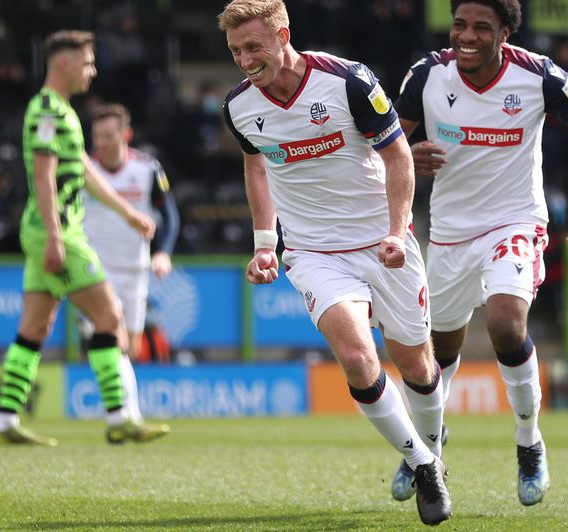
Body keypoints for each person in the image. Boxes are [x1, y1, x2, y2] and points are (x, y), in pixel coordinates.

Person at [217, 0, 451, 525]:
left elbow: (397, 155)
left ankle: (433, 444)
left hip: (382, 242)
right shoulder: (238, 107)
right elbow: (255, 165)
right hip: (313, 251)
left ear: (284, 35)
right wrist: (263, 243)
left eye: (254, 46)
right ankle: (425, 464)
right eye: (235, 51)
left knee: (416, 366)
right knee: (357, 358)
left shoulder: (348, 82)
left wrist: (396, 230)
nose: (245, 60)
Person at [394, 0, 568, 507]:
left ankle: (529, 442)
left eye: (480, 27)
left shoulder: (540, 77)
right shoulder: (426, 75)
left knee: (504, 324)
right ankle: (426, 452)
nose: (465, 36)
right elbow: (381, 146)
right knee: (437, 355)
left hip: (514, 222)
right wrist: (408, 154)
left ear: (505, 33)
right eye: (459, 24)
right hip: (449, 232)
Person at [0, 30, 167, 447]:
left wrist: (128, 214)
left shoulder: (63, 112)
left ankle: (4, 421)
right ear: (65, 63)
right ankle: (120, 416)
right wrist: (54, 236)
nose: (93, 70)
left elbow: (85, 169)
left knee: (34, 327)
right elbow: (43, 175)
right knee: (110, 320)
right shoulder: (48, 109)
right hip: (60, 232)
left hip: (47, 231)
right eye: (87, 62)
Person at [84, 103, 179, 428]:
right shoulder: (84, 170)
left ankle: (122, 413)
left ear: (126, 134)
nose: (102, 142)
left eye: (109, 135)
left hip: (135, 270)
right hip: (94, 272)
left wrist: (162, 252)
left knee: (131, 348)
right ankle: (124, 416)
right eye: (97, 136)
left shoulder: (147, 169)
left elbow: (169, 216)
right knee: (112, 340)